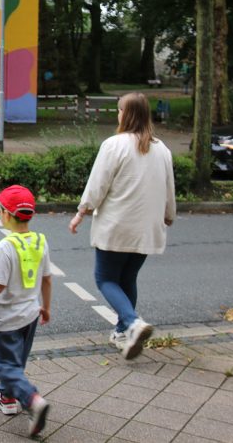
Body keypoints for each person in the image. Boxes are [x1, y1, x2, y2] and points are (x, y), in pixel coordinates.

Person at [68, 92, 176, 360]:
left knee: (104, 278)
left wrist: (82, 211)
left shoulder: (114, 145)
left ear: (125, 114)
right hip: (147, 228)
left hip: (117, 226)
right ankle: (122, 332)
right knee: (128, 278)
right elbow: (169, 187)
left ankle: (132, 321)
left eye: (119, 110)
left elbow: (98, 184)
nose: (117, 114)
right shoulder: (162, 148)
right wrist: (169, 214)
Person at [0, 184, 52, 438]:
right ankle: (7, 398)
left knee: (5, 366)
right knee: (17, 362)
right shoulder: (40, 241)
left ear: (6, 214)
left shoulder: (6, 246)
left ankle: (32, 400)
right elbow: (47, 279)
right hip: (31, 315)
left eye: (0, 208)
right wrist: (45, 307)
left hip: (6, 319)